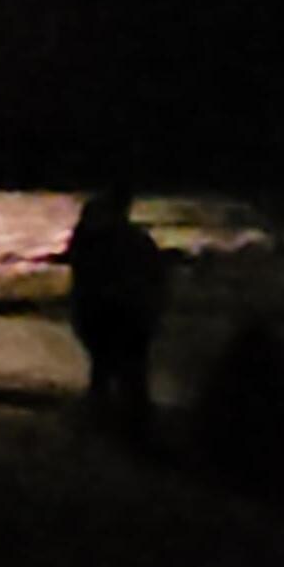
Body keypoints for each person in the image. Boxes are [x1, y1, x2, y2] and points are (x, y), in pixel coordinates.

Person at [66, 186, 169, 434]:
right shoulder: (131, 240)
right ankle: (131, 424)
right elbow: (155, 278)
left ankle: (111, 420)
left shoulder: (93, 239)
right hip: (121, 312)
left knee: (108, 370)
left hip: (106, 312)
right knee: (128, 373)